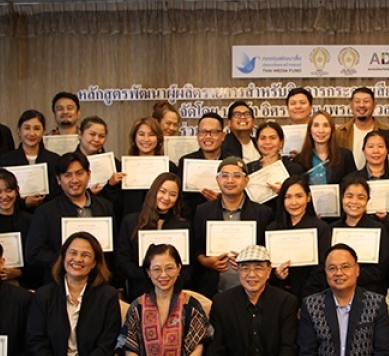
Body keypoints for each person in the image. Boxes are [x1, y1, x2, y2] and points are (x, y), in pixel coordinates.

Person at [24, 153, 116, 282]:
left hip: (98, 282)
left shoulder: (105, 207)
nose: (75, 180)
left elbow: (113, 251)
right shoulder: (46, 211)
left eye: (79, 173)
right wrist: (68, 259)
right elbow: (33, 253)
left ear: (89, 174)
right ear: (58, 179)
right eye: (67, 175)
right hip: (59, 283)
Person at [192, 157, 274, 296]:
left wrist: (249, 263)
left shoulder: (263, 213)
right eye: (224, 176)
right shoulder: (203, 211)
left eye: (237, 176)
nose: (230, 180)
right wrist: (206, 261)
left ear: (246, 180)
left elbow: (268, 252)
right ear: (217, 179)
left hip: (253, 288)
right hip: (212, 288)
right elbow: (196, 247)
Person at [307, 175, 389, 293]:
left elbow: (380, 269)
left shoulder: (379, 229)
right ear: (342, 197)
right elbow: (324, 264)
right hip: (336, 290)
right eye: (349, 196)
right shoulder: (331, 229)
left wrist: (349, 278)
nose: (354, 202)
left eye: (361, 197)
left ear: (368, 200)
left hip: (369, 291)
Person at [116, 172, 191, 300]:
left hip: (174, 293)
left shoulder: (183, 225)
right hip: (139, 292)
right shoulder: (130, 222)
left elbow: (189, 267)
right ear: (153, 191)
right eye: (162, 191)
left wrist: (170, 277)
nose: (166, 198)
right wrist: (151, 273)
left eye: (173, 194)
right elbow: (122, 262)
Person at [266, 175, 332, 298]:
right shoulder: (272, 229)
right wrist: (276, 275)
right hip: (278, 296)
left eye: (299, 196)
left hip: (312, 296)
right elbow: (266, 267)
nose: (294, 202)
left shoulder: (321, 228)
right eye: (288, 197)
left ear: (308, 197)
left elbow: (321, 269)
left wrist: (306, 299)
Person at [0, 110, 62, 209]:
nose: (31, 133)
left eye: (37, 128)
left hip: (48, 214)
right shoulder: (5, 161)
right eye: (27, 128)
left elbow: (59, 193)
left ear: (43, 132)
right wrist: (23, 203)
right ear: (19, 131)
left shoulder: (54, 160)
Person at [246, 121, 306, 213]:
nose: (267, 142)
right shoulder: (248, 169)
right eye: (262, 138)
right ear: (257, 142)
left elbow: (302, 198)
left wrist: (285, 192)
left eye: (272, 138)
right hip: (257, 217)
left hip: (285, 216)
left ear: (281, 142)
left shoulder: (295, 169)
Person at [121, 116, 178, 215]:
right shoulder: (123, 167)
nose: (146, 139)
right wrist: (112, 185)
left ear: (158, 139)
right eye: (141, 134)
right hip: (132, 220)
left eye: (151, 135)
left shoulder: (170, 167)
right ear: (134, 138)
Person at [75, 116, 125, 213]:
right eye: (92, 134)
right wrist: (88, 193)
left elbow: (119, 204)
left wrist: (111, 187)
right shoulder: (69, 163)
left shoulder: (113, 164)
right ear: (80, 134)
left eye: (101, 136)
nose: (97, 139)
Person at [180, 112, 227, 214]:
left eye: (214, 132)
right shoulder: (185, 162)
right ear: (197, 135)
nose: (208, 136)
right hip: (192, 216)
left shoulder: (231, 162)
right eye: (203, 132)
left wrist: (221, 201)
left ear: (223, 136)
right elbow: (181, 198)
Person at [298, 110, 357, 185]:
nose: (321, 130)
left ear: (332, 130)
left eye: (326, 125)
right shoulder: (299, 159)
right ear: (310, 130)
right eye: (316, 125)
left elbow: (354, 185)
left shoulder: (345, 156)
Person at [336, 86, 389, 153]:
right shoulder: (340, 133)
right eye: (357, 101)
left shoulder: (387, 132)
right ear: (351, 105)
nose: (361, 105)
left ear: (374, 105)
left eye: (366, 101)